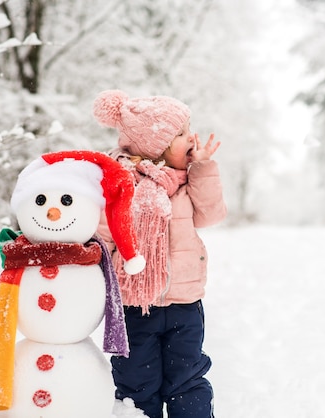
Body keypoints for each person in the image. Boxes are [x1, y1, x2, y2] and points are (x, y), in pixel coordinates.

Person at [93, 89, 227, 418]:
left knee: (188, 382)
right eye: (181, 133)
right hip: (135, 307)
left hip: (184, 304)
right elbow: (102, 235)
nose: (191, 137)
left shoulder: (186, 182)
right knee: (136, 385)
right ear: (157, 146)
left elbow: (211, 214)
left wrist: (204, 168)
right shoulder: (120, 185)